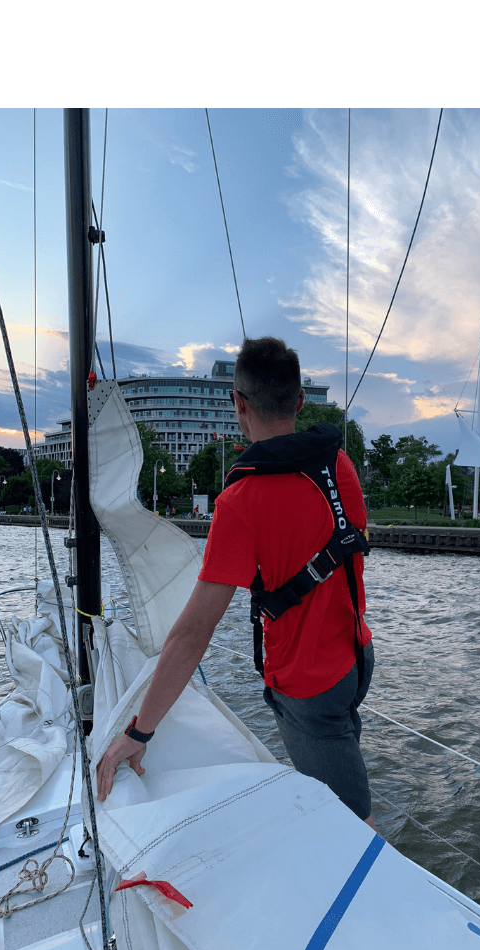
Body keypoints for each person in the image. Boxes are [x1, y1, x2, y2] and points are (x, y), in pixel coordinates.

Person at [96, 337, 376, 827]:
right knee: (339, 774)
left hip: (307, 683)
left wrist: (138, 734)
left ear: (238, 403)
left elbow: (192, 634)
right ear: (300, 401)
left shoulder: (241, 502)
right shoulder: (340, 465)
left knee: (350, 823)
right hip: (356, 657)